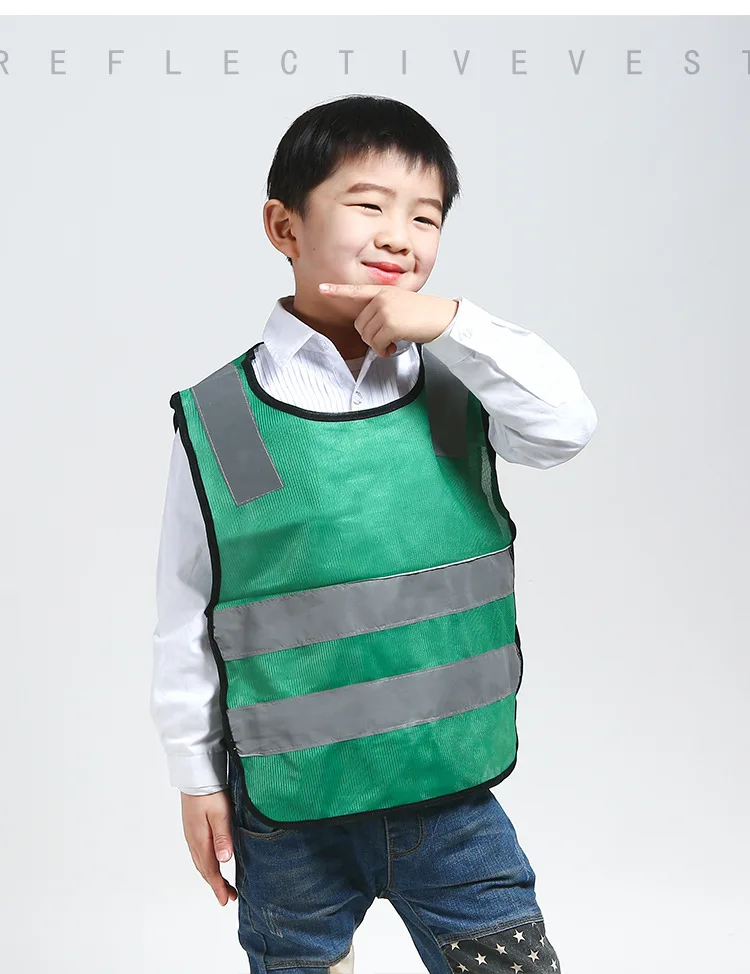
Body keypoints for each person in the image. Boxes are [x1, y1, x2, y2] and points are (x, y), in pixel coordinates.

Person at [151, 93, 597, 974]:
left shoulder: (460, 386)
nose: (401, 235)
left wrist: (457, 324)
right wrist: (195, 777)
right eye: (369, 205)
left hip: (449, 795)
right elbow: (184, 614)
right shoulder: (222, 418)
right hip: (288, 812)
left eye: (426, 216)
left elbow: (566, 426)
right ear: (284, 226)